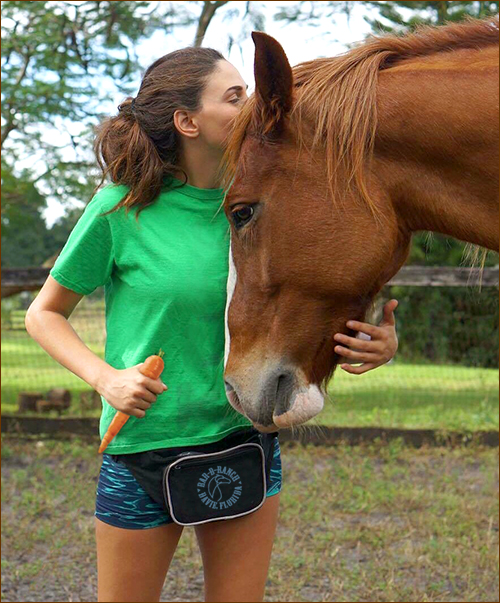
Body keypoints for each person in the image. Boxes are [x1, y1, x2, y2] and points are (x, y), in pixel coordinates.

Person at [25, 47, 400, 603]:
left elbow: (302, 302)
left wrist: (375, 342)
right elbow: (43, 313)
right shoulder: (120, 209)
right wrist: (106, 379)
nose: (250, 103)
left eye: (246, 91)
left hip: (242, 442)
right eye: (233, 95)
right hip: (142, 450)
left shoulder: (265, 204)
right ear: (186, 121)